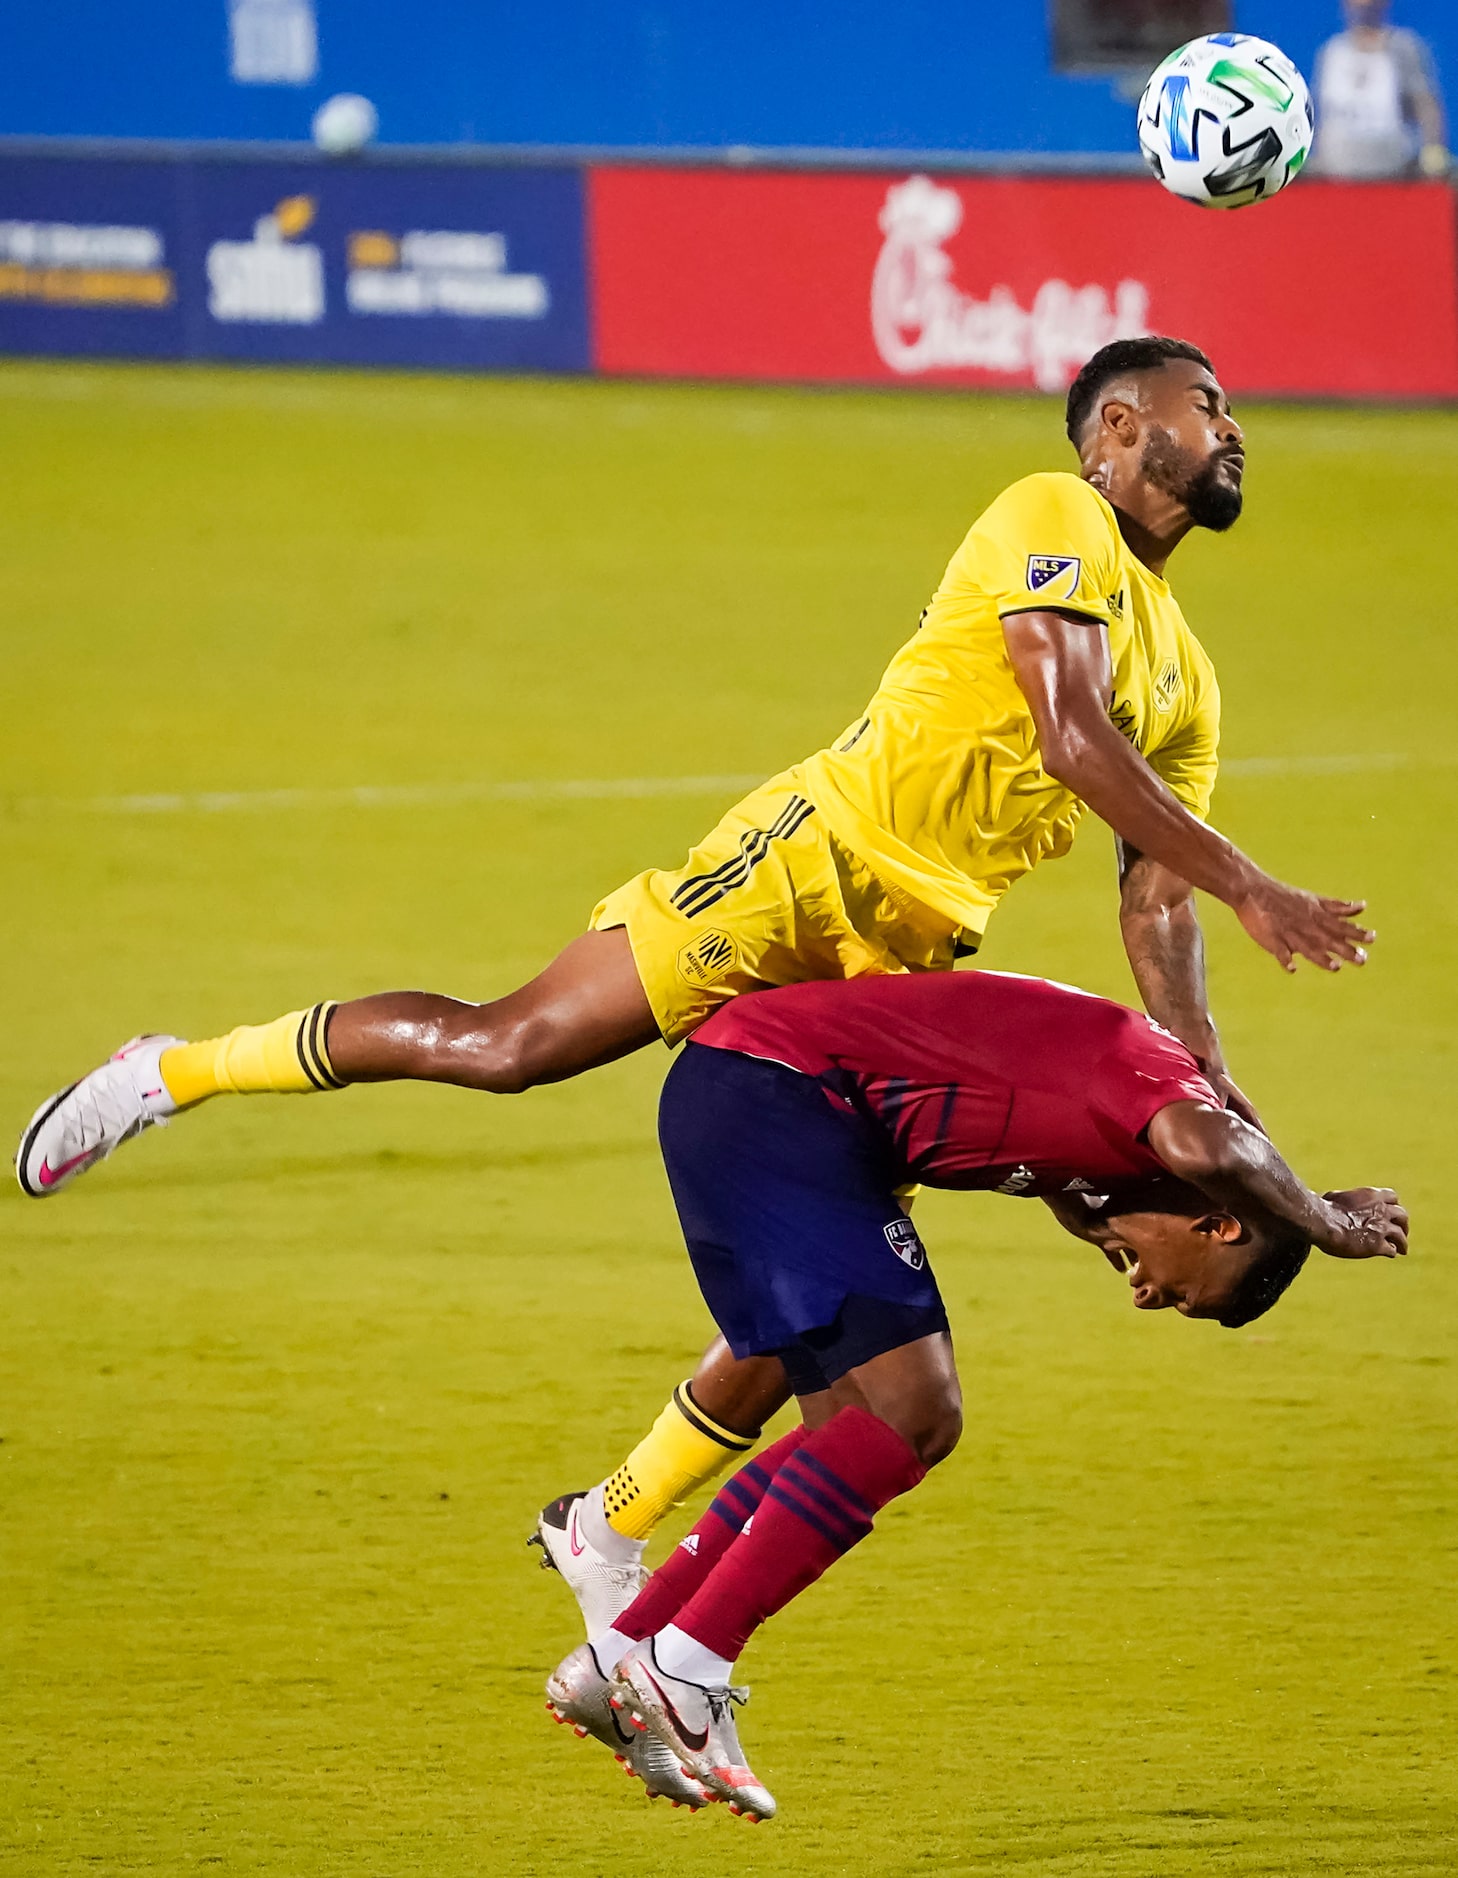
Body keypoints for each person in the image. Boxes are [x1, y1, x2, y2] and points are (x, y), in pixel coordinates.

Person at [18, 337, 1373, 1617]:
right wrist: (1260, 882)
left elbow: (1152, 887)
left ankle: (603, 1523)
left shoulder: (1184, 674)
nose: (1232, 425)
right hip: (803, 873)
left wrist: (1205, 1076)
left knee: (819, 1269)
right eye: (1206, 402)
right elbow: (1072, 736)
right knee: (509, 1045)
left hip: (906, 949)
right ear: (1120, 430)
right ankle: (172, 1069)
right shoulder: (1051, 514)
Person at [541, 967, 1407, 1820]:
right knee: (917, 1415)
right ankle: (685, 1666)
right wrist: (1333, 1225)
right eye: (1185, 1290)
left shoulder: (1119, 1164)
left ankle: (621, 1654)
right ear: (1219, 1222)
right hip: (781, 1099)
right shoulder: (1175, 1117)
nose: (1147, 1296)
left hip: (746, 1096)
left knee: (846, 1430)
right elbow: (1216, 1148)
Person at [1314, 0, 1449, 179]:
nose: (1362, 7)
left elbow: (1425, 105)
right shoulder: (1332, 51)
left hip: (1393, 175)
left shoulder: (1403, 49)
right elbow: (1319, 113)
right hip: (1336, 175)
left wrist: (1433, 150)